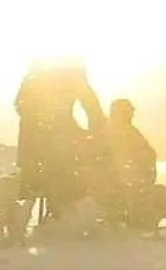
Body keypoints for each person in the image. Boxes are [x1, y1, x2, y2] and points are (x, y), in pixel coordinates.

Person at [13, 59, 104, 217]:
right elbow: (92, 106)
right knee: (66, 167)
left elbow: (92, 107)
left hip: (41, 133)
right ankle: (58, 208)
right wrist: (96, 132)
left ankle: (45, 208)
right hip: (49, 133)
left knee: (38, 175)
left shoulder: (36, 74)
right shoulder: (70, 75)